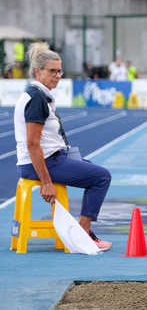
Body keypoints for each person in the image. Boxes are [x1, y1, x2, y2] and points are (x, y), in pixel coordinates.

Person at [13, 43, 112, 250]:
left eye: (60, 71)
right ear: (38, 71)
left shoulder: (39, 95)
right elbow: (32, 144)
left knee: (92, 168)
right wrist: (46, 182)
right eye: (52, 71)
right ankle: (82, 235)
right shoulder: (37, 99)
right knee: (101, 177)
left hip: (51, 158)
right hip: (44, 162)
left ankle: (82, 230)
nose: (58, 75)